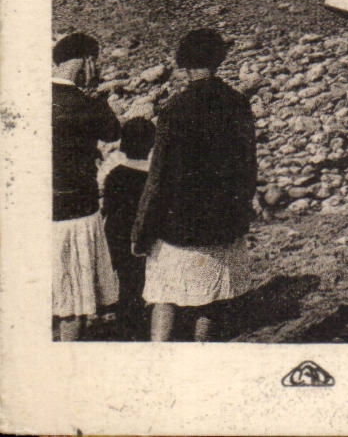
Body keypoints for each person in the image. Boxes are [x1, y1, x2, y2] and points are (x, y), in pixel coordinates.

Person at [133, 29, 258, 342]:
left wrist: (142, 228)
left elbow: (159, 175)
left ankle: (159, 354)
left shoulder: (175, 108)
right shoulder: (237, 103)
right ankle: (200, 349)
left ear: (183, 64)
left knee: (164, 295)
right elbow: (248, 169)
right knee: (210, 297)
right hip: (222, 223)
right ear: (219, 60)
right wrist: (239, 213)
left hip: (178, 225)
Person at [52, 32, 120, 341]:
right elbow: (112, 132)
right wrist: (95, 93)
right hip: (77, 211)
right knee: (75, 300)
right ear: (87, 61)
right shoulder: (86, 104)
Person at [103, 116, 155, 339]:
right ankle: (138, 324)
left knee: (126, 281)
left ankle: (125, 325)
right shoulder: (152, 177)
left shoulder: (115, 174)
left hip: (117, 234)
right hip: (142, 235)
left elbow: (108, 206)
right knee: (141, 280)